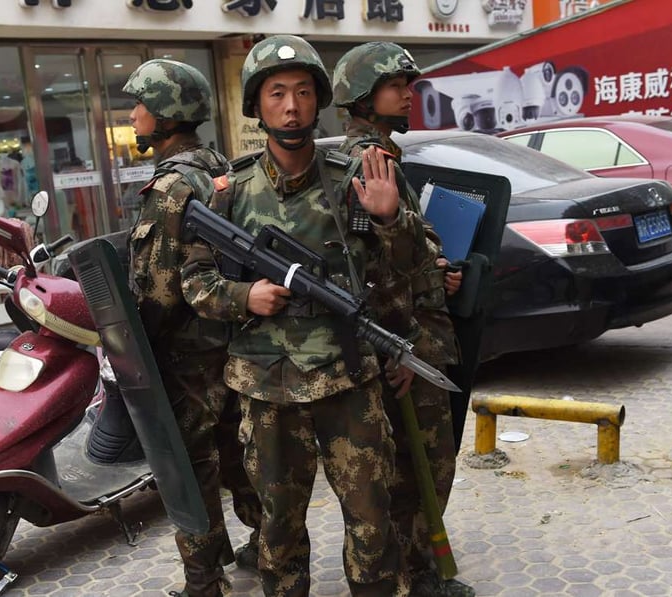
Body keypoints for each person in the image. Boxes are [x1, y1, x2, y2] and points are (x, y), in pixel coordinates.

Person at [182, 35, 421, 597]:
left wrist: (390, 221)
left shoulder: (355, 178)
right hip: (268, 391)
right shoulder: (227, 193)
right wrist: (245, 298)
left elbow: (400, 275)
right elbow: (194, 282)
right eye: (277, 94)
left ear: (319, 102)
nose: (291, 106)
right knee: (278, 528)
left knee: (372, 519)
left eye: (303, 93)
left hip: (348, 381)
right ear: (257, 106)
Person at [333, 42, 472, 597]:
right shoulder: (370, 162)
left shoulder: (380, 153)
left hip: (412, 336)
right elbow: (372, 273)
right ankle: (416, 576)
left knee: (418, 466)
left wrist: (436, 268)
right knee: (422, 467)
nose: (408, 95)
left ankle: (416, 570)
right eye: (397, 86)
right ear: (365, 97)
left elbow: (404, 251)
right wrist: (405, 346)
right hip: (406, 342)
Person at [122, 58, 262, 597]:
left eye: (140, 105)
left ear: (165, 113)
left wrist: (137, 348)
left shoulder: (172, 188)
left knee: (190, 469)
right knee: (243, 457)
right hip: (239, 347)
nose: (133, 115)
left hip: (188, 359)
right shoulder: (222, 169)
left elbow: (159, 294)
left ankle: (205, 582)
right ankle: (269, 547)